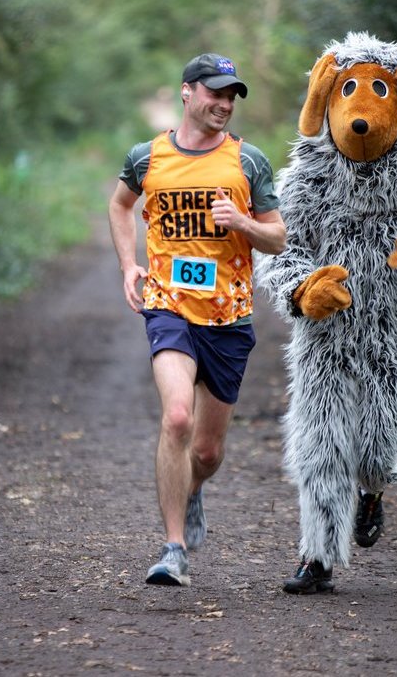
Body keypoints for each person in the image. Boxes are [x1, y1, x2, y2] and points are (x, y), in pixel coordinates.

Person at [108, 53, 286, 586]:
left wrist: (243, 223)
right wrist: (128, 264)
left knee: (206, 452)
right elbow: (120, 206)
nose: (224, 104)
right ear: (188, 92)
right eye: (215, 93)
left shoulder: (247, 162)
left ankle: (193, 488)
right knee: (178, 418)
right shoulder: (148, 157)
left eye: (232, 96)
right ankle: (173, 550)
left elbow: (278, 237)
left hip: (229, 317)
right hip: (169, 307)